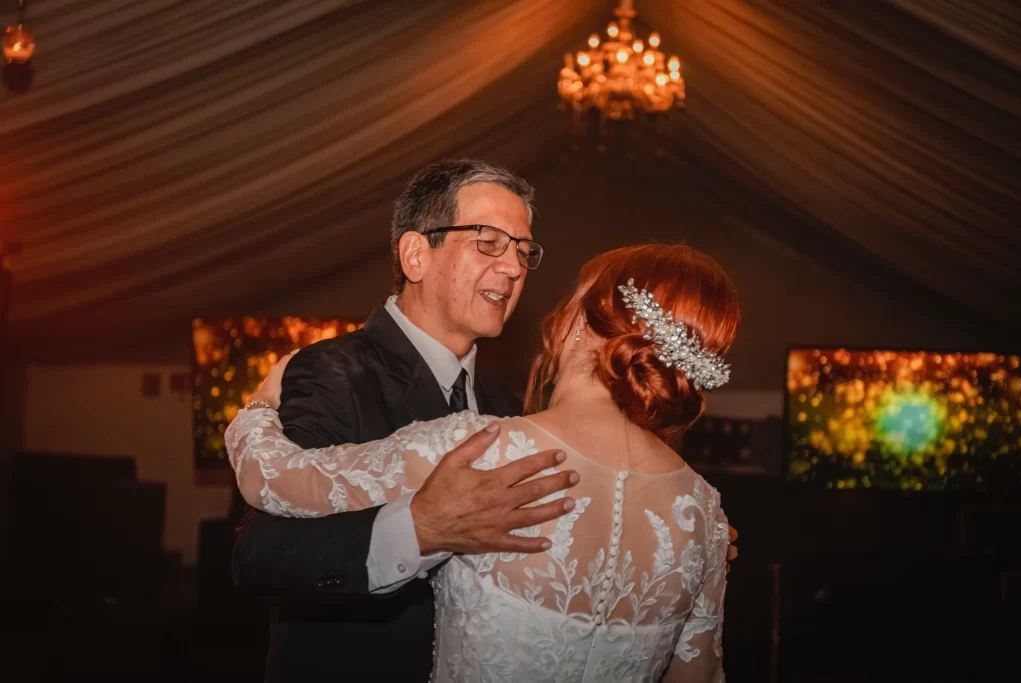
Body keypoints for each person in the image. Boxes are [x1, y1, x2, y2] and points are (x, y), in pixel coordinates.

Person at [229, 243, 740, 682]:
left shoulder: (483, 446)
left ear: (581, 322)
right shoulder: (703, 515)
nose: (515, 270)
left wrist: (258, 406)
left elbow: (268, 479)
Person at [232, 160, 581, 682]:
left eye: (523, 251)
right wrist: (418, 530)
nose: (512, 268)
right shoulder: (333, 370)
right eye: (488, 241)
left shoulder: (509, 406)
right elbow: (260, 557)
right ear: (416, 255)